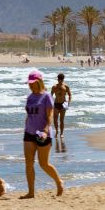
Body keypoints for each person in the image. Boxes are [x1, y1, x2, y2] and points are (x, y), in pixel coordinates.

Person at [21, 70, 63, 198]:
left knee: (43, 164)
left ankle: (58, 181)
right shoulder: (29, 97)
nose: (31, 85)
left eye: (33, 83)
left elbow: (49, 115)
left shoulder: (46, 97)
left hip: (43, 134)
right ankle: (31, 192)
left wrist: (45, 130)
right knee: (28, 163)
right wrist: (26, 125)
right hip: (29, 133)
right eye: (29, 83)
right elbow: (29, 114)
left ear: (39, 82)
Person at [51, 73, 72, 137]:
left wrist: (69, 101)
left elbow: (70, 94)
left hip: (63, 104)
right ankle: (57, 131)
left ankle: (61, 133)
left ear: (63, 79)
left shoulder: (66, 86)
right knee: (55, 119)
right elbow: (50, 95)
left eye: (61, 79)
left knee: (62, 120)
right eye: (59, 79)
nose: (60, 81)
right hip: (56, 104)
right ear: (57, 79)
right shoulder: (54, 87)